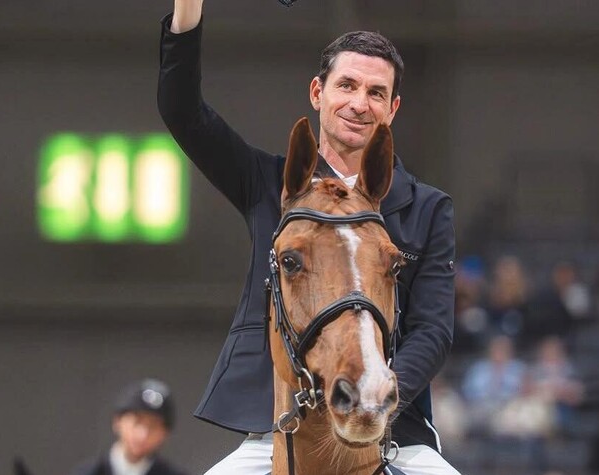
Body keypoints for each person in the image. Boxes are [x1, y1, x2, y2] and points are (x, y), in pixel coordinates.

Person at [158, 1, 458, 474]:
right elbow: (182, 111)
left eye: (377, 93)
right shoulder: (265, 182)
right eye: (348, 86)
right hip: (277, 425)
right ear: (318, 92)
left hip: (387, 424)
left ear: (393, 108)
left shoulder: (428, 208)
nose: (360, 103)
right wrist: (187, 10)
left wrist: (376, 395)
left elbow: (433, 329)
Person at [69, 378, 188, 475]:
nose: (143, 434)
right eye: (137, 422)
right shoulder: (88, 472)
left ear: (164, 434)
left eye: (153, 426)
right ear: (117, 422)